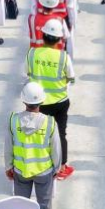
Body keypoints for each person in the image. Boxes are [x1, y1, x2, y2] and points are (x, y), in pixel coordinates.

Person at [6, 82, 62, 209]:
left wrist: (8, 166)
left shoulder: (13, 120)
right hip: (44, 171)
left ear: (24, 101)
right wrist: (57, 168)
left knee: (21, 205)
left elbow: (8, 146)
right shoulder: (50, 122)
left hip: (21, 170)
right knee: (44, 206)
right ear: (41, 101)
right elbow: (56, 149)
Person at [28, 22, 76, 180]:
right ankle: (61, 168)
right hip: (59, 102)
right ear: (59, 39)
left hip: (37, 103)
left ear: (42, 36)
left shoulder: (32, 54)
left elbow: (26, 72)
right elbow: (71, 78)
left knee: (38, 133)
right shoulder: (63, 57)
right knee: (60, 133)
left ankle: (37, 164)